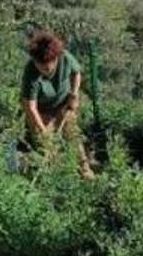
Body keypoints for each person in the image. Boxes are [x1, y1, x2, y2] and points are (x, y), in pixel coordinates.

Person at [21, 30, 93, 178]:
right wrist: (43, 132)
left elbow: (76, 73)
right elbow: (30, 107)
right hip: (42, 111)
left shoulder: (65, 57)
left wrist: (74, 94)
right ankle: (53, 177)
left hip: (62, 105)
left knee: (72, 135)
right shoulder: (30, 72)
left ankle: (85, 170)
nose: (43, 70)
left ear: (55, 59)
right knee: (45, 147)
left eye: (47, 68)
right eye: (39, 66)